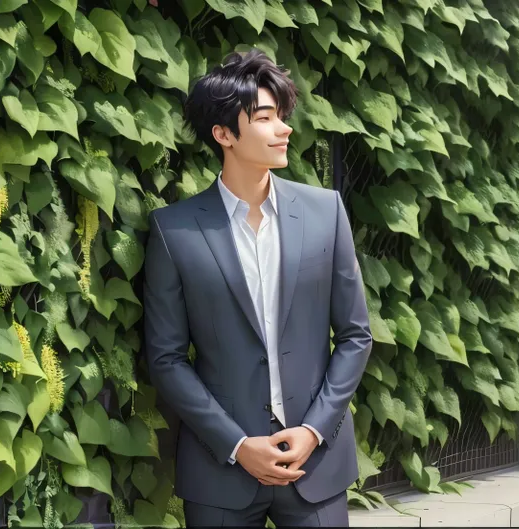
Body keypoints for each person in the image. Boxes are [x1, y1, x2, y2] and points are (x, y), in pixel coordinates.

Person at [143, 48, 372, 527]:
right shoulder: (174, 230)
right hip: (219, 471)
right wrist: (237, 445)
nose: (284, 128)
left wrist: (313, 429)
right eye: (266, 118)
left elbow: (355, 335)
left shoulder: (325, 212)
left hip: (315, 466)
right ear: (223, 134)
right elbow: (165, 358)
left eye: (282, 116)